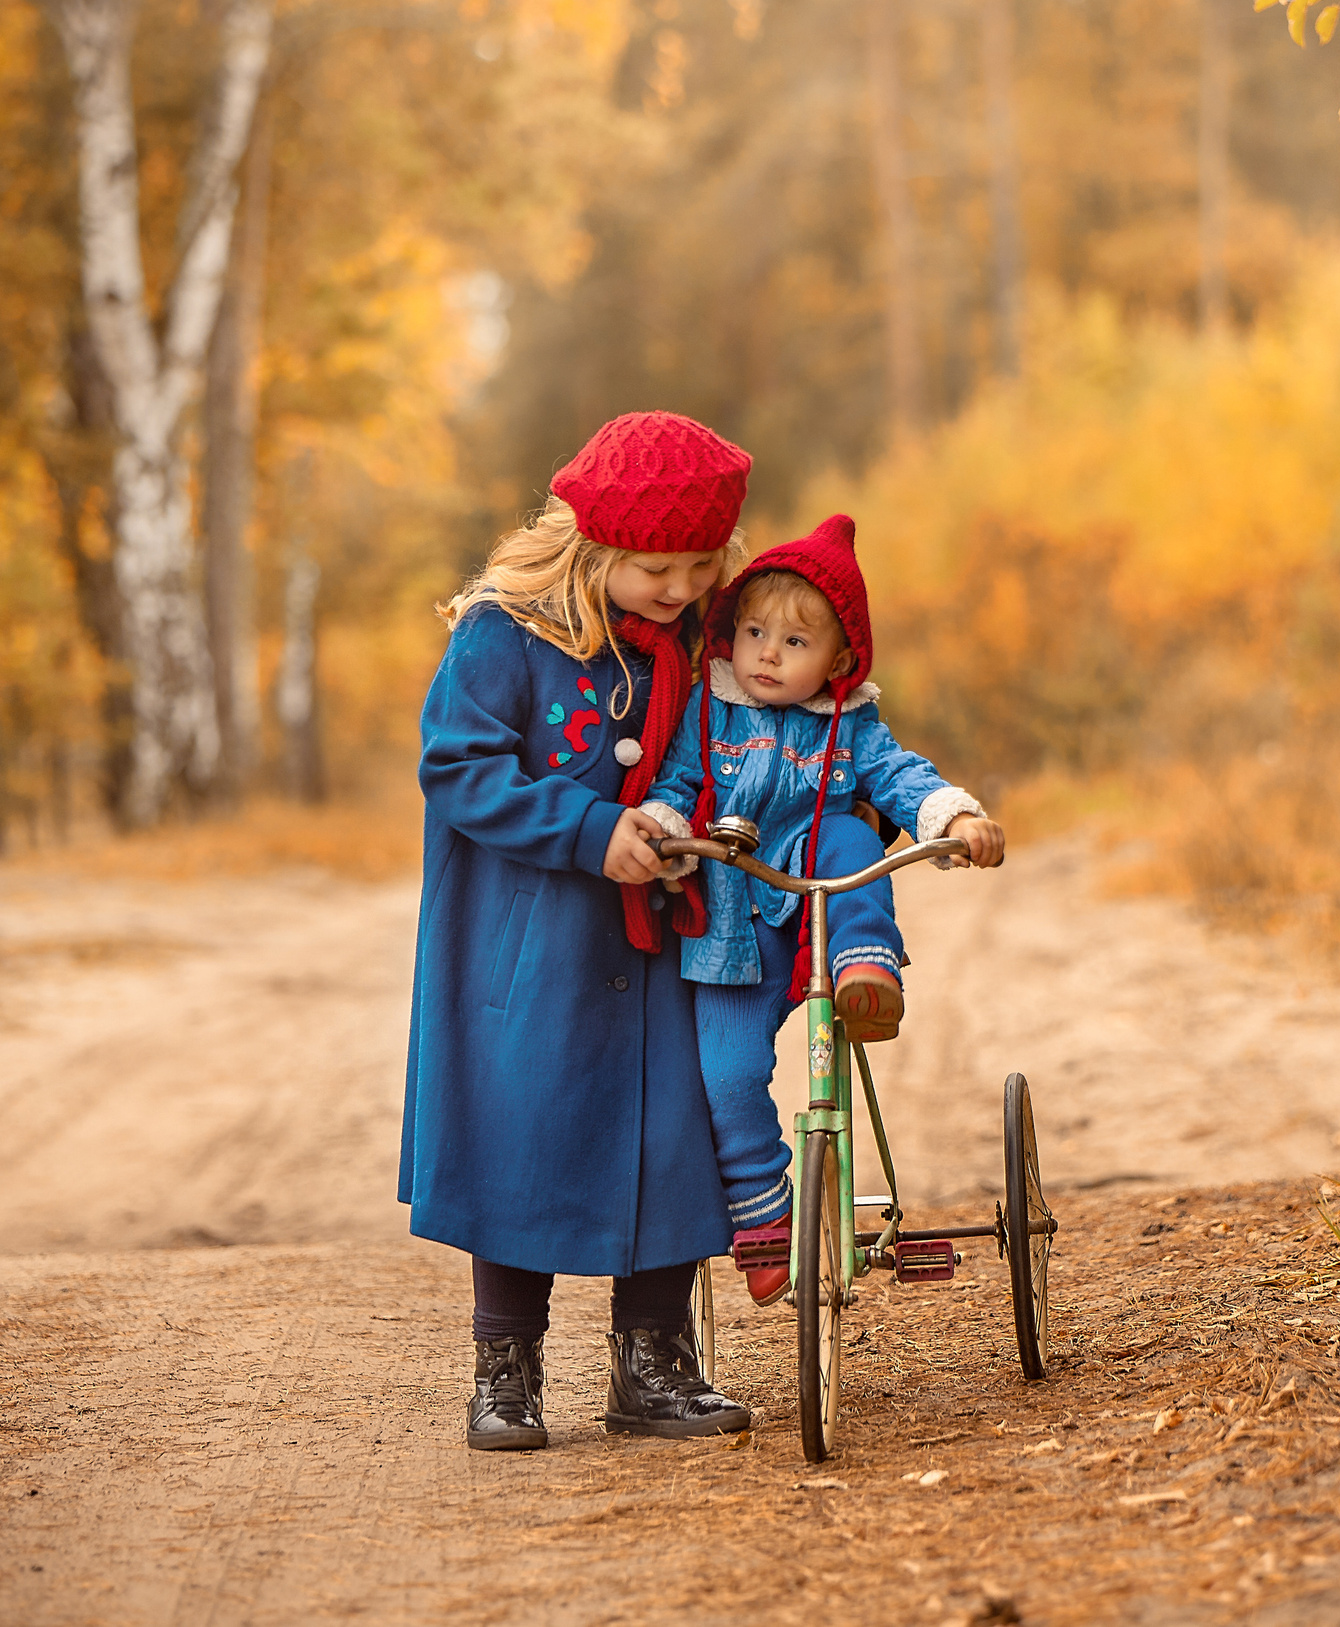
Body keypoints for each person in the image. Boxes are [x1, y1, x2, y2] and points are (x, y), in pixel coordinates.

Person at [400, 410, 758, 1453]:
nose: (682, 587)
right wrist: (591, 829)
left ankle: (654, 1360)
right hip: (532, 939)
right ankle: (505, 1369)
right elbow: (457, 766)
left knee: (672, 1129)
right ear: (592, 544)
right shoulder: (505, 633)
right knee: (523, 1132)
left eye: (702, 565)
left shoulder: (702, 638)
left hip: (665, 937)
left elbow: (770, 714)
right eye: (659, 567)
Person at [641, 515, 1007, 1304]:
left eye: (795, 643)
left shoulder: (852, 726)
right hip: (733, 928)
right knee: (727, 1075)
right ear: (731, 635)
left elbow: (902, 776)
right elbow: (673, 787)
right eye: (754, 632)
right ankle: (764, 1208)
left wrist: (952, 818)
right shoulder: (710, 709)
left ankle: (867, 970)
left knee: (842, 830)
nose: (768, 652)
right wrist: (663, 833)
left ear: (839, 659)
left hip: (822, 919)